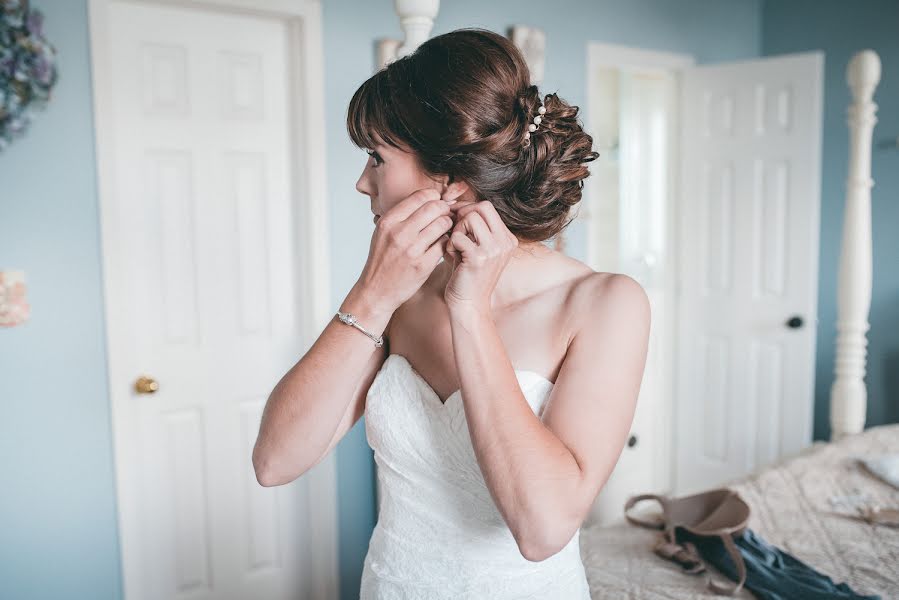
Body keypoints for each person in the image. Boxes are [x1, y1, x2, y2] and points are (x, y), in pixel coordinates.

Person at [252, 27, 651, 599]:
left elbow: (543, 529)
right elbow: (275, 461)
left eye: (377, 158)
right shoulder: (395, 293)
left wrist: (469, 311)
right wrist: (370, 294)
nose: (362, 182)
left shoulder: (604, 303)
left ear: (451, 180)